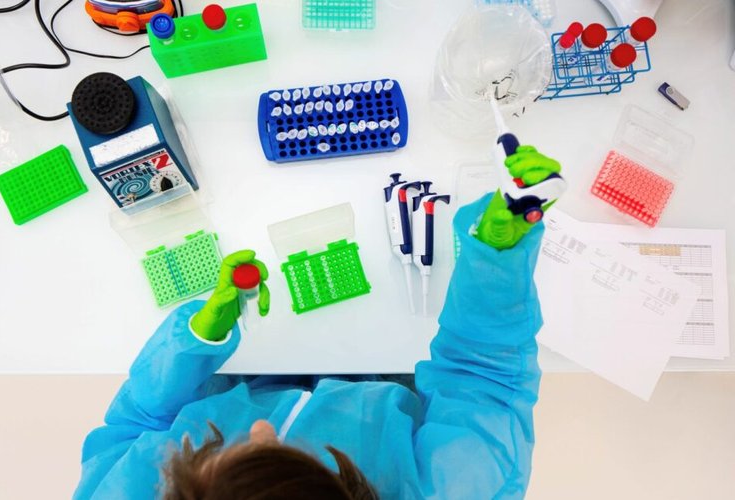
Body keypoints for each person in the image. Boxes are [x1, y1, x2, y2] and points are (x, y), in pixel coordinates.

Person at [73, 146, 562, 500]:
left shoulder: (126, 491)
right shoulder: (459, 485)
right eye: (291, 456)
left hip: (231, 378)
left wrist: (195, 340)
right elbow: (484, 381)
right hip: (385, 390)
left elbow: (133, 424)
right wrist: (496, 256)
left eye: (216, 453)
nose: (262, 427)